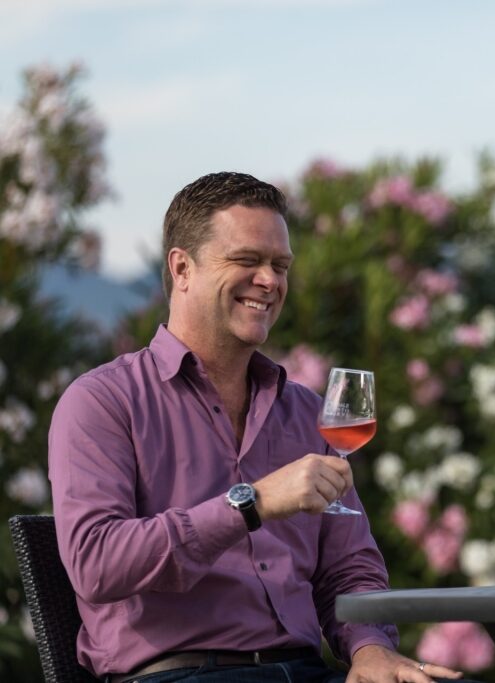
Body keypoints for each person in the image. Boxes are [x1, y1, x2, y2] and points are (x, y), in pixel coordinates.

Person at [48, 172, 469, 683]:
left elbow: (350, 567)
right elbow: (96, 563)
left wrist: (369, 649)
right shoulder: (102, 402)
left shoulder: (307, 413)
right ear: (182, 268)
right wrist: (250, 504)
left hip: (307, 671)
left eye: (280, 265)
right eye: (247, 261)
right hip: (181, 675)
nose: (270, 281)